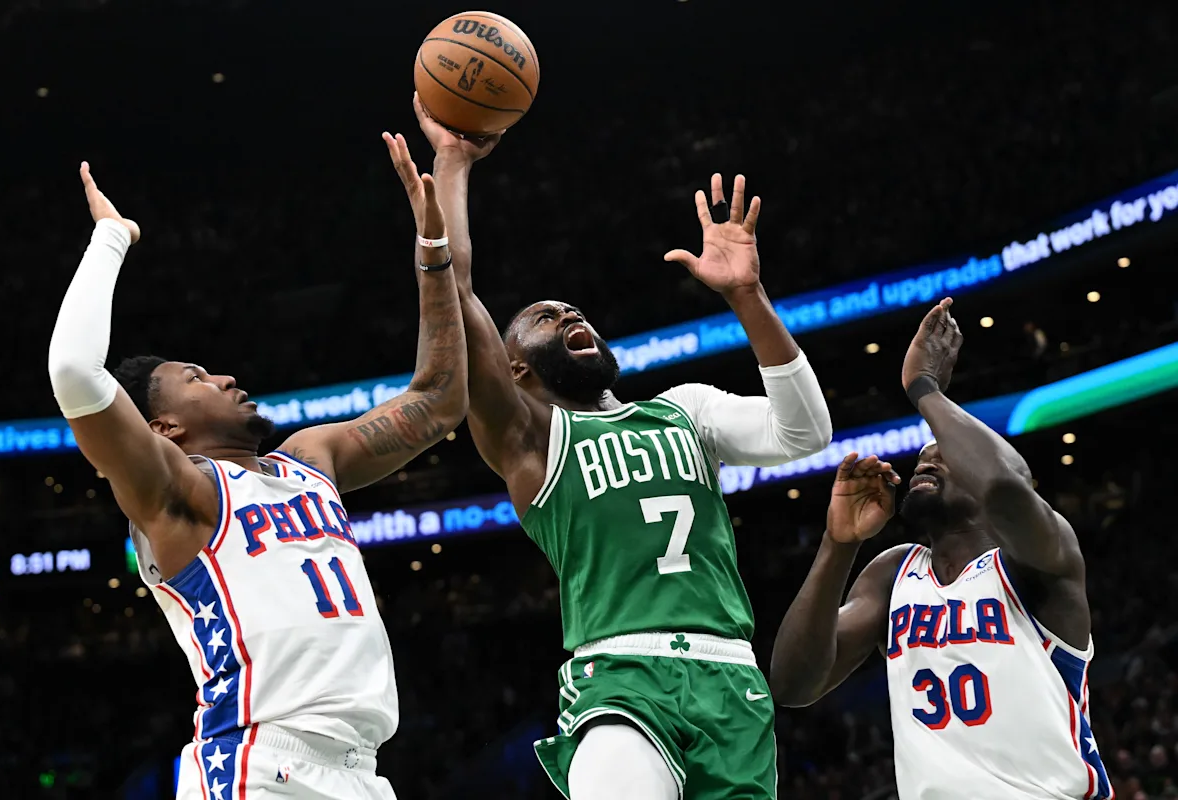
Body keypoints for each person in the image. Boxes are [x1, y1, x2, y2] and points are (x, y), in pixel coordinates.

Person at [410, 95, 833, 799]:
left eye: (572, 310)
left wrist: (748, 297)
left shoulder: (684, 409)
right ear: (516, 368)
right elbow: (455, 295)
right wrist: (452, 162)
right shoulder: (530, 439)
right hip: (621, 675)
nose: (567, 313)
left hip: (734, 681)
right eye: (544, 318)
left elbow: (805, 433)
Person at [46, 134, 464, 800]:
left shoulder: (310, 459)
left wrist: (433, 248)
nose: (224, 377)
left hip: (362, 772)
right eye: (196, 378)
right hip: (257, 765)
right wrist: (112, 237)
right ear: (163, 428)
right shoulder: (180, 493)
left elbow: (439, 400)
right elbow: (73, 369)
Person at [769, 298, 1112, 800]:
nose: (927, 462)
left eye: (948, 454)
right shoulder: (895, 572)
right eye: (924, 456)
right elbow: (793, 685)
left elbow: (1003, 486)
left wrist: (924, 389)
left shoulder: (1039, 557)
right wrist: (837, 545)